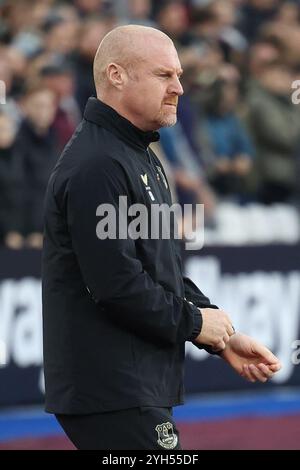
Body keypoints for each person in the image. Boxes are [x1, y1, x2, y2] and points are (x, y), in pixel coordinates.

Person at [42, 25, 281, 451]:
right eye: (164, 75)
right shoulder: (98, 164)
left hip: (135, 385)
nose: (179, 88)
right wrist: (196, 324)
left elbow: (158, 269)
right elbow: (117, 286)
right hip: (112, 388)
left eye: (179, 75)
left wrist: (219, 332)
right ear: (116, 75)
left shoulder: (139, 155)